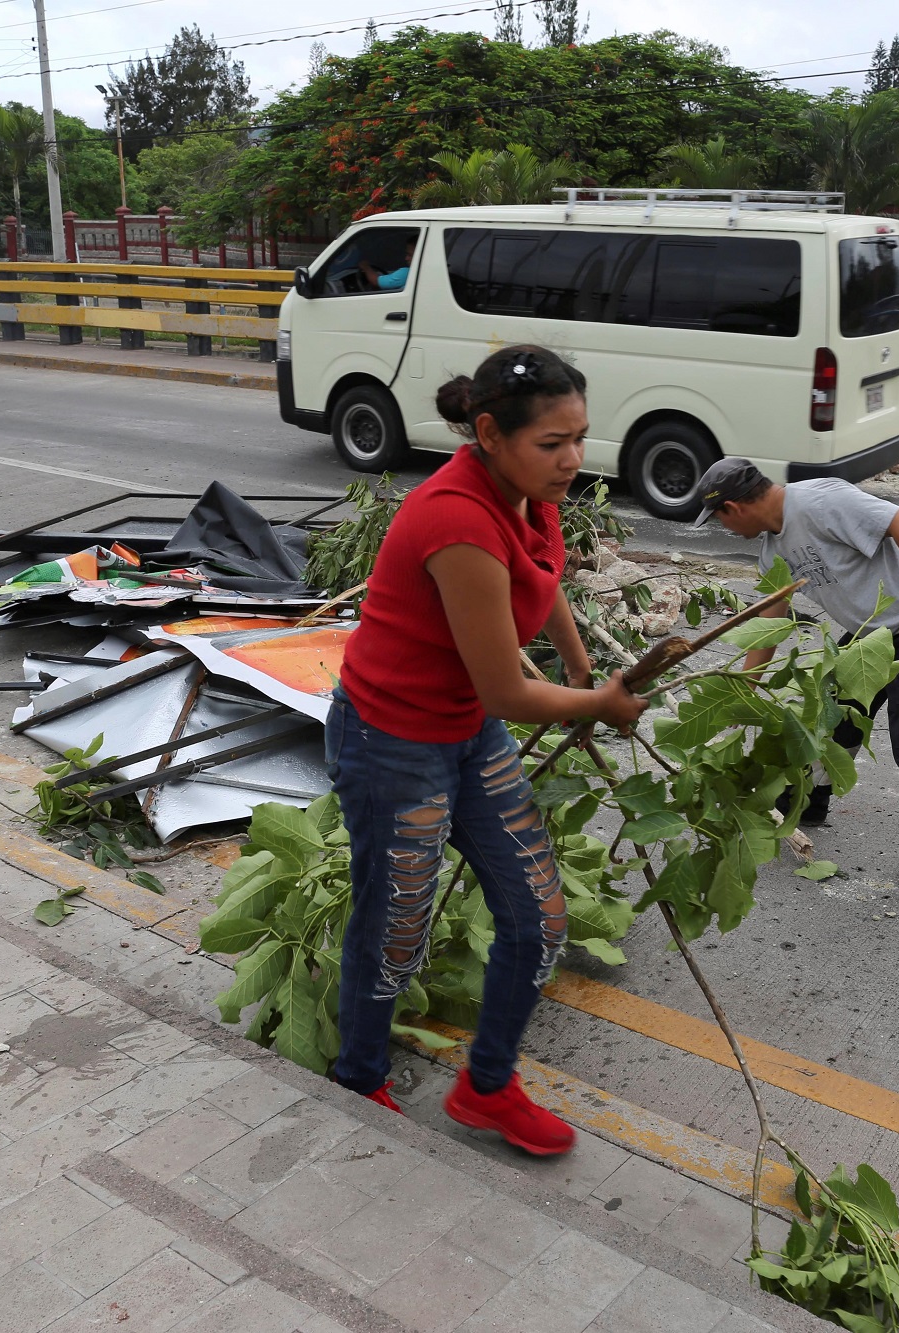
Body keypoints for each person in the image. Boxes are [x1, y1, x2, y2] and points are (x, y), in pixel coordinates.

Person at [329, 344, 647, 1154]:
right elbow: (508, 688)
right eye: (553, 443)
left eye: (580, 436)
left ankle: (487, 1085)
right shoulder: (457, 518)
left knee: (538, 918)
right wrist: (599, 704)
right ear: (489, 433)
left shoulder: (528, 493)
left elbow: (541, 575)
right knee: (397, 922)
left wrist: (579, 662)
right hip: (393, 739)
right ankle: (359, 1077)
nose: (572, 459)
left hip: (469, 731)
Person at [697, 457, 899, 893]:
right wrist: (747, 687)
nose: (723, 529)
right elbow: (772, 616)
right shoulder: (772, 551)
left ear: (732, 507)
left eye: (719, 520)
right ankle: (806, 803)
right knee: (829, 712)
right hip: (876, 634)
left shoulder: (819, 501)